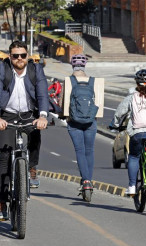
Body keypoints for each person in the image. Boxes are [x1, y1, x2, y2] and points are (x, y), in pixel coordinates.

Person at [0, 41, 49, 220]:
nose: (19, 59)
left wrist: (43, 116)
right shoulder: (2, 69)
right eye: (15, 56)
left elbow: (42, 94)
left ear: (27, 56)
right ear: (10, 57)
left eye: (23, 55)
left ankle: (31, 167)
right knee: (5, 157)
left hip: (30, 113)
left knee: (35, 135)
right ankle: (2, 201)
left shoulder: (35, 69)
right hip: (7, 115)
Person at [65, 54, 98, 194]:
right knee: (89, 151)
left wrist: (65, 117)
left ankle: (85, 181)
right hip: (91, 121)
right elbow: (99, 104)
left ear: (72, 65)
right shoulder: (94, 81)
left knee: (80, 151)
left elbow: (64, 103)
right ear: (85, 65)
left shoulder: (69, 81)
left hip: (74, 122)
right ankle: (89, 181)